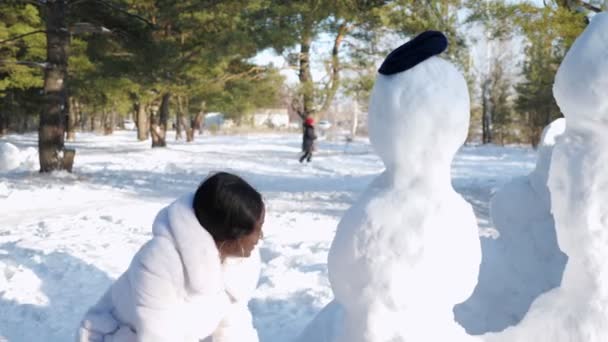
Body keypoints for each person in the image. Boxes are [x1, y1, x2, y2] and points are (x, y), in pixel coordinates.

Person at [77, 172, 265, 342]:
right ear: (231, 235)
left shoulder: (238, 261)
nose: (261, 237)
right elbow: (159, 335)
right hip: (119, 335)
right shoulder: (158, 262)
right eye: (256, 229)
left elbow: (233, 323)